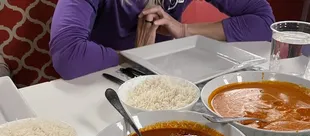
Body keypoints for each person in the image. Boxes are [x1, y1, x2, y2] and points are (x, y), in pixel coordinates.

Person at [50, 0, 275, 80]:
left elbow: (263, 23)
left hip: (165, 74)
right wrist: (136, 57)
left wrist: (183, 30)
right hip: (101, 79)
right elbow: (68, 57)